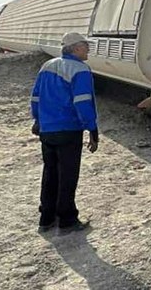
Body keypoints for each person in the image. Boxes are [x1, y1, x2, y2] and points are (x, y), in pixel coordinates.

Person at [30, 32, 99, 234]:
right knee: (68, 175)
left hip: (47, 129)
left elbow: (35, 97)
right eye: (85, 45)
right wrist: (92, 129)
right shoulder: (80, 69)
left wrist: (37, 120)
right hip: (68, 129)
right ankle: (67, 220)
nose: (88, 49)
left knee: (50, 173)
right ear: (75, 48)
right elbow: (83, 102)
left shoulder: (47, 66)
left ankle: (46, 218)